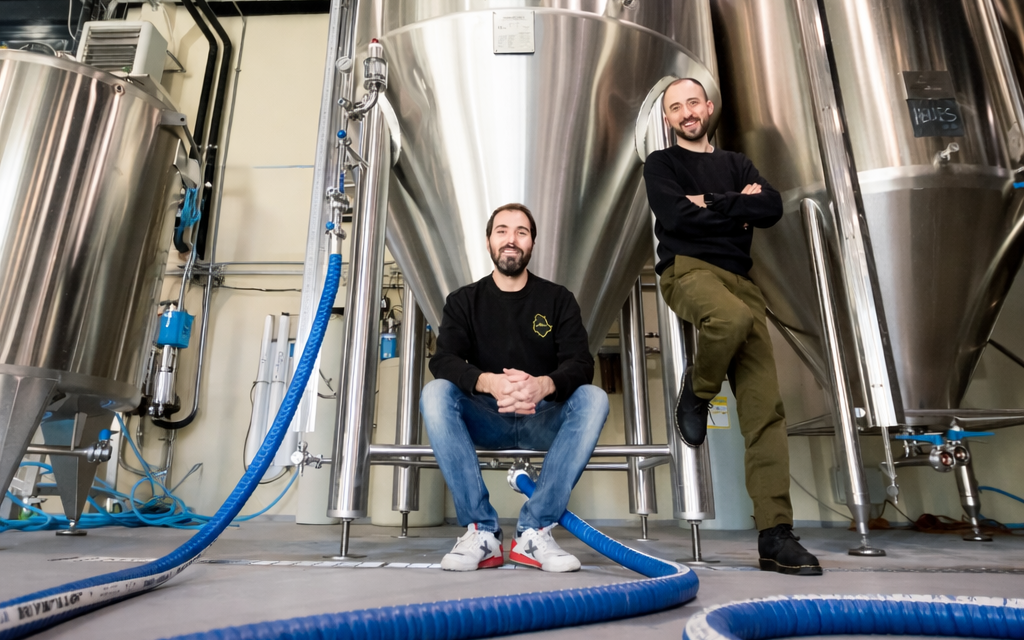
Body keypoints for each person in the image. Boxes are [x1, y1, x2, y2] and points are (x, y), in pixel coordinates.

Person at [644, 78, 822, 576]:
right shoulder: (661, 164)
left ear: (707, 107)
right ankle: (699, 391)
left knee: (766, 409)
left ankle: (775, 534)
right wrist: (735, 206)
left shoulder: (737, 162)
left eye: (692, 103)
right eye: (675, 108)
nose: (685, 113)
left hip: (742, 279)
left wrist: (711, 201)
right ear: (667, 119)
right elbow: (676, 218)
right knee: (731, 318)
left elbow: (771, 208)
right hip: (688, 270)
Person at [420, 203, 609, 573]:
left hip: (543, 418)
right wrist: (490, 382)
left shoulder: (558, 299)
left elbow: (581, 363)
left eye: (521, 232)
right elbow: (444, 360)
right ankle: (482, 532)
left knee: (594, 397)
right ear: (489, 241)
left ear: (532, 243)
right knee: (435, 393)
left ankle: (534, 531)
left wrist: (543, 385)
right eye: (502, 231)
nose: (511, 239)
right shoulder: (463, 301)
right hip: (486, 418)